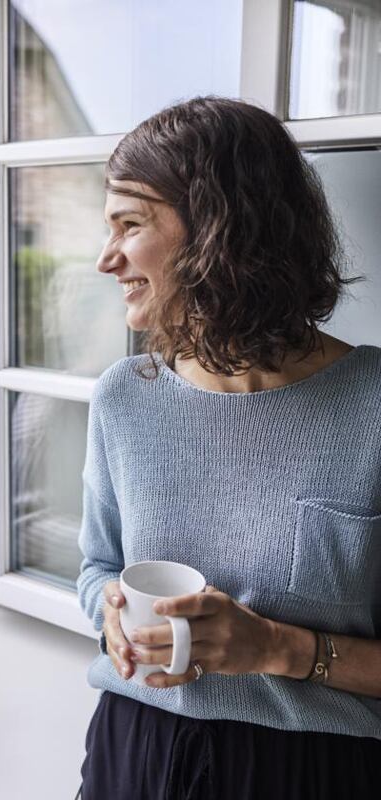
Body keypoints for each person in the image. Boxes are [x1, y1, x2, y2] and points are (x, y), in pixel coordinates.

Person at [77, 97, 381, 799]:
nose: (105, 258)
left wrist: (277, 648)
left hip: (312, 772)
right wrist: (111, 611)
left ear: (219, 229)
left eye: (130, 224)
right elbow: (97, 568)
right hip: (134, 751)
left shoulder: (372, 406)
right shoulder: (123, 399)